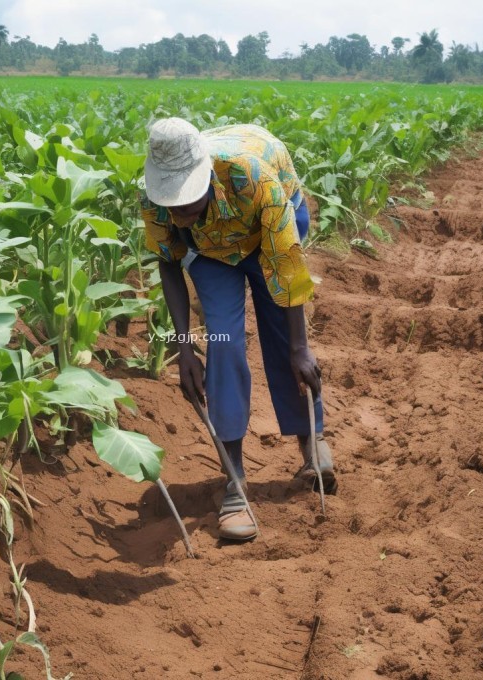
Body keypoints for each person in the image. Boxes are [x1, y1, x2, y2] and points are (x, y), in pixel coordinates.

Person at [140, 118, 336, 541]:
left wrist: (301, 347)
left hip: (273, 226)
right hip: (210, 252)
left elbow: (286, 266)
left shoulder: (253, 178)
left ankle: (310, 439)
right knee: (224, 343)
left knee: (283, 334)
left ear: (208, 178)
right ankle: (235, 478)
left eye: (189, 203)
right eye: (173, 208)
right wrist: (185, 349)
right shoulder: (157, 202)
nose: (180, 215)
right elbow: (169, 263)